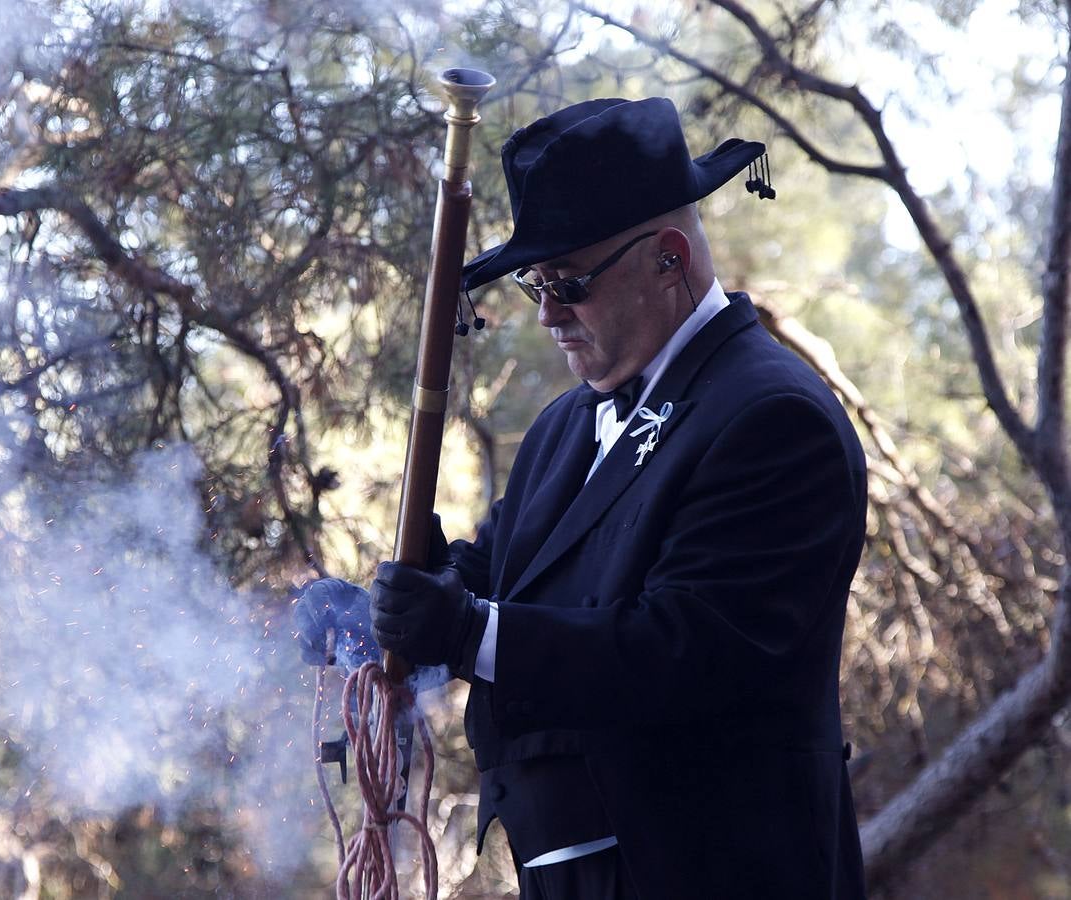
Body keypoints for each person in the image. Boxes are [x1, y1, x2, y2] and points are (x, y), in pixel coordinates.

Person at [295, 96, 868, 899]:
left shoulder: (773, 418)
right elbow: (493, 587)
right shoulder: (565, 426)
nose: (548, 316)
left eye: (570, 284)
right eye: (535, 286)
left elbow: (685, 653)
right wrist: (390, 619)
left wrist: (464, 630)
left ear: (670, 258)